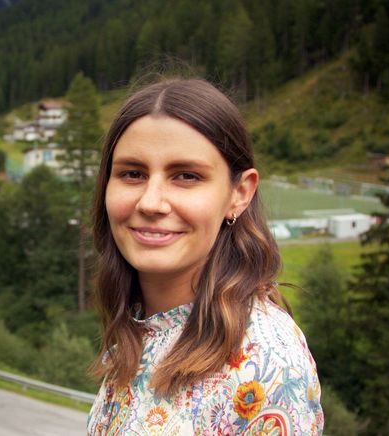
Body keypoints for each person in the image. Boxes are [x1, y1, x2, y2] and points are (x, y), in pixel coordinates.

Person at [87, 78, 324, 435]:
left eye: (186, 176)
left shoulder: (265, 365)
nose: (151, 202)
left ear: (239, 193)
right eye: (132, 174)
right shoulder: (143, 329)